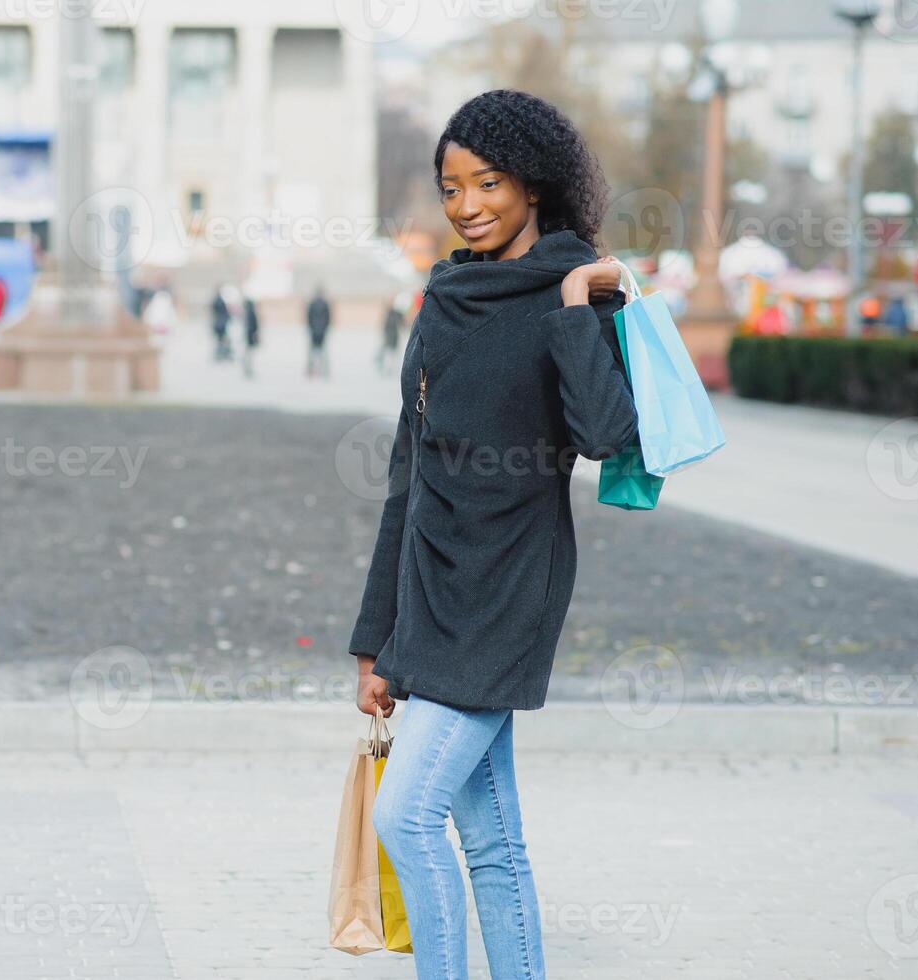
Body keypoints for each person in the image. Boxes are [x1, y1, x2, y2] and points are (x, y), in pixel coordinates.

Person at [350, 89, 639, 980]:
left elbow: (604, 434)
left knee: (404, 817)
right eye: (450, 188)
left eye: (489, 183)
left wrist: (568, 304)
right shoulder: (443, 294)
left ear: (534, 187)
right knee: (488, 837)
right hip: (431, 587)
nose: (467, 205)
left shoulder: (580, 288)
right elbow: (409, 470)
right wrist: (375, 641)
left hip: (510, 585)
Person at [377, 290, 410, 374]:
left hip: (395, 334)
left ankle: (392, 368)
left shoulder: (397, 311)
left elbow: (403, 322)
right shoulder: (388, 311)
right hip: (389, 334)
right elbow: (384, 324)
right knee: (388, 351)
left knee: (394, 352)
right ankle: (387, 368)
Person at [305, 285, 331, 378]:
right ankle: (324, 371)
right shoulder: (325, 304)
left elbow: (308, 317)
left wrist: (310, 328)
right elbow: (328, 318)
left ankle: (311, 371)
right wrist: (325, 328)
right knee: (322, 352)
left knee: (312, 352)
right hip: (322, 331)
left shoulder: (312, 304)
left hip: (314, 331)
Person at [210, 285, 235, 362]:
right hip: (221, 324)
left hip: (218, 323)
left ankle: (220, 354)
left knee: (220, 340)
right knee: (222, 340)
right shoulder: (220, 300)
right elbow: (224, 313)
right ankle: (222, 354)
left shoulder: (216, 300)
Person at [241, 294, 260, 378]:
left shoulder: (247, 313)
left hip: (248, 335)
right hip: (250, 335)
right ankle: (247, 368)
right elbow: (255, 326)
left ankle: (247, 368)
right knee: (248, 353)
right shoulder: (251, 313)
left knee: (247, 353)